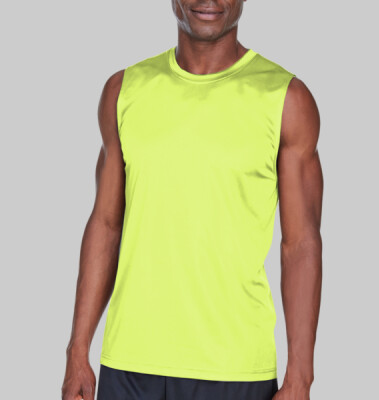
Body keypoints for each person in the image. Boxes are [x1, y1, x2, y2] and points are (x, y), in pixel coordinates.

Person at [61, 1, 323, 399]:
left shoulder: (286, 98)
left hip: (234, 368)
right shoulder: (123, 90)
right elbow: (106, 224)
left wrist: (300, 378)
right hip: (129, 365)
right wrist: (78, 350)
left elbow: (301, 244)